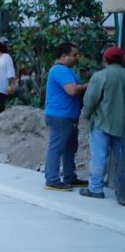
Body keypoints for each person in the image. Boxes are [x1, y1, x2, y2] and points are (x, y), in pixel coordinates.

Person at [80, 47, 125, 201]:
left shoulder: (101, 76)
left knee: (99, 157)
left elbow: (90, 99)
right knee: (122, 159)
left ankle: (95, 189)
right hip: (122, 126)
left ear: (105, 60)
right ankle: (121, 191)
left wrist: (86, 115)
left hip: (101, 122)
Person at [43, 43, 87, 192]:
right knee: (56, 148)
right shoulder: (59, 70)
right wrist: (91, 84)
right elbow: (72, 90)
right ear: (63, 56)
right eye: (74, 55)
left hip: (68, 116)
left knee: (69, 148)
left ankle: (69, 176)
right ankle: (52, 180)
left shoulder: (66, 71)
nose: (77, 57)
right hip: (60, 116)